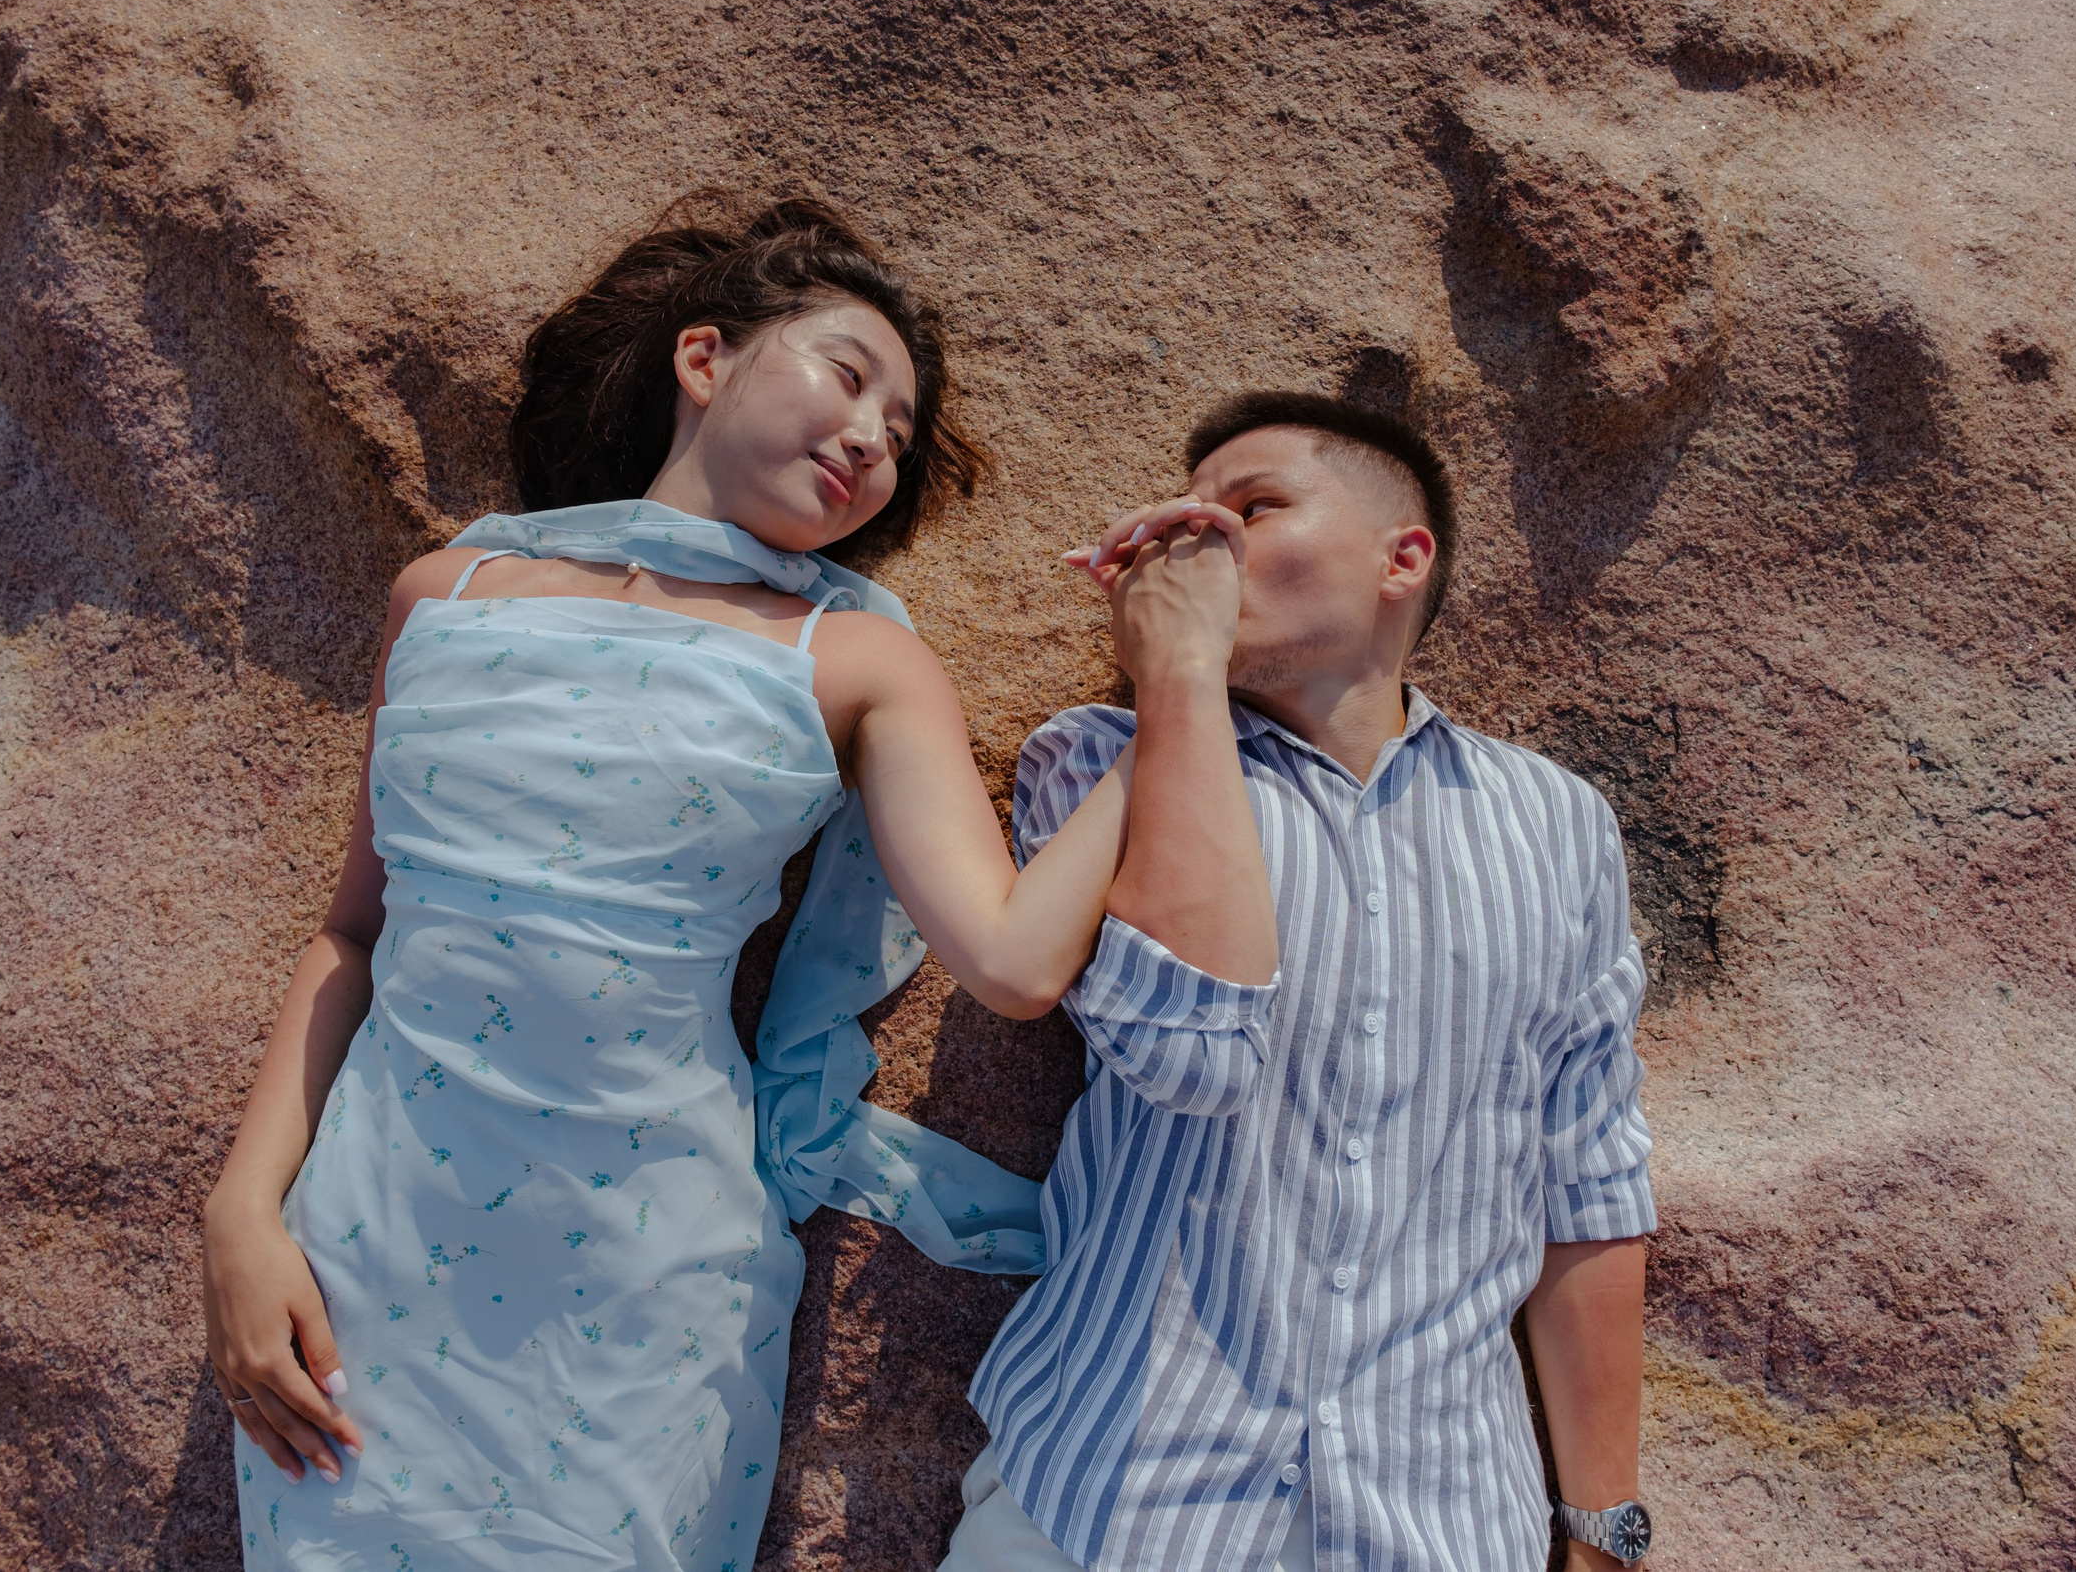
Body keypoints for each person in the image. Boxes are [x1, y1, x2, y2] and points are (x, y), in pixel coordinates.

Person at [199, 195, 1278, 1571]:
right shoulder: (449, 592)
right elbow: (356, 934)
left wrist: (1174, 683)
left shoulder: (858, 659)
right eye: (848, 374)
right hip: (369, 1244)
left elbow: (1012, 960)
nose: (871, 437)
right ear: (704, 358)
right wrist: (241, 1211)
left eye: (898, 435)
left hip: (643, 1274)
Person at [943, 392, 1658, 1572]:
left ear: (1401, 558)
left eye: (1253, 505)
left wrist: (1604, 1533)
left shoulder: (1559, 822)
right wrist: (1177, 671)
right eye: (1184, 516)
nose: (1196, 536)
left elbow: (1586, 1179)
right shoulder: (1097, 761)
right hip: (1109, 1501)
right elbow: (1188, 1050)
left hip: (1440, 1521)